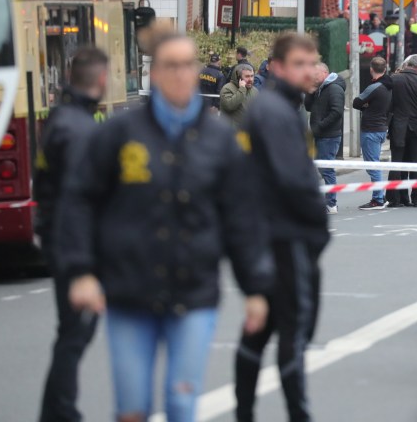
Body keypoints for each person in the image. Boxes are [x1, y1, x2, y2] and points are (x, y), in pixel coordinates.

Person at [56, 34, 271, 422]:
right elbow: (80, 200)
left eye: (186, 65)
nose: (179, 74)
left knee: (180, 401)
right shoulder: (120, 133)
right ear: (154, 73)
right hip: (128, 291)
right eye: (169, 65)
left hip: (193, 293)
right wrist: (81, 270)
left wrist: (255, 287)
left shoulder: (219, 140)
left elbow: (242, 218)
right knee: (132, 408)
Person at [236, 32, 330, 422]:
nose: (308, 71)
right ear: (276, 68)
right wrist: (318, 226)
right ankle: (297, 414)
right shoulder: (275, 112)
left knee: (263, 331)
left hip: (275, 237)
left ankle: (246, 412)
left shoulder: (280, 108)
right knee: (293, 333)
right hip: (287, 239)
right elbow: (293, 180)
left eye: (312, 63)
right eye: (298, 64)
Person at [35, 47, 108, 422]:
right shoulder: (81, 130)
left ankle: (55, 412)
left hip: (57, 240)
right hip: (76, 249)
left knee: (69, 333)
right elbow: (80, 199)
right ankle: (62, 413)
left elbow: (44, 188)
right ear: (101, 81)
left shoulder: (58, 120)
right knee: (75, 336)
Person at [386, 55, 417, 208]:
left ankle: (396, 198)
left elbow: (389, 104)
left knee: (397, 163)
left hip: (398, 126)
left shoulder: (394, 79)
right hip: (416, 127)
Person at [305, 62, 346, 214]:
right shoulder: (320, 88)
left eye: (315, 75)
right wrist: (310, 92)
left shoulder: (334, 88)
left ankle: (331, 203)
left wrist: (320, 126)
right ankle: (324, 201)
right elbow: (309, 107)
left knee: (327, 169)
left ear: (324, 73)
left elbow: (336, 112)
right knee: (321, 169)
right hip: (319, 134)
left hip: (329, 136)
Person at [352, 57, 392, 210]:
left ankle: (378, 199)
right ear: (385, 69)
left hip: (371, 129)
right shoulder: (389, 86)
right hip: (382, 127)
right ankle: (380, 196)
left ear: (371, 69)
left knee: (372, 166)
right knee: (374, 164)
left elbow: (356, 102)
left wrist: (366, 106)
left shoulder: (374, 87)